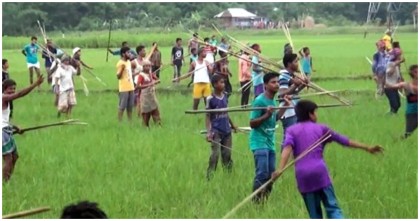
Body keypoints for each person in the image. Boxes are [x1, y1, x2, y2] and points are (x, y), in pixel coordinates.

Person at [271, 100, 384, 219]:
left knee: (315, 214)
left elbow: (287, 149)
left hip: (303, 176)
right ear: (310, 114)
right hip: (320, 173)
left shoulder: (291, 131)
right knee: (333, 208)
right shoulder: (321, 128)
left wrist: (280, 169)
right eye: (315, 112)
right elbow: (344, 141)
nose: (317, 115)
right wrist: (367, 148)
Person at [249, 72, 291, 203]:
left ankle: (264, 201)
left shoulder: (273, 99)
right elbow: (252, 123)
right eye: (273, 82)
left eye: (278, 82)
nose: (277, 84)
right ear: (265, 85)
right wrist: (266, 114)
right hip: (259, 142)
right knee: (261, 174)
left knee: (271, 176)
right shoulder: (259, 100)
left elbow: (275, 118)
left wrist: (285, 106)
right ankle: (255, 202)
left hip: (269, 143)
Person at [2, 76, 44, 181]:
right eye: (10, 88)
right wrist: (35, 84)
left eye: (14, 88)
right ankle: (4, 182)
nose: (13, 91)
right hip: (2, 132)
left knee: (15, 157)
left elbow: (3, 119)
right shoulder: (3, 97)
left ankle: (7, 179)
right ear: (4, 88)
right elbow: (20, 94)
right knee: (8, 159)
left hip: (6, 130)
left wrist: (16, 127)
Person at [205, 74, 237, 180]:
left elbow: (226, 112)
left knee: (227, 154)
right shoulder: (210, 99)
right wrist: (209, 132)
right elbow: (208, 116)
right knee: (215, 155)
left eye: (224, 82)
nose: (223, 84)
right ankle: (210, 176)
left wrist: (232, 125)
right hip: (216, 131)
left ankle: (228, 176)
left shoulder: (225, 96)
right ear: (214, 85)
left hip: (227, 130)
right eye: (221, 82)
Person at [386, 64, 418, 138]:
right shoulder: (406, 85)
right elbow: (391, 86)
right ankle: (397, 140)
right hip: (412, 113)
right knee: (408, 133)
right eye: (417, 72)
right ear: (413, 73)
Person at [278, 53, 307, 134]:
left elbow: (293, 92)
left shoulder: (291, 75)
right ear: (289, 64)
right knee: (289, 138)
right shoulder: (284, 76)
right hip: (287, 111)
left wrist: (303, 85)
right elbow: (282, 94)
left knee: (294, 138)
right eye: (295, 61)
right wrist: (295, 85)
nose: (298, 64)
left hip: (293, 110)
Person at [137, 60, 161, 128]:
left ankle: (158, 125)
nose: (148, 67)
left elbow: (157, 79)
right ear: (143, 67)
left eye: (149, 66)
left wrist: (157, 81)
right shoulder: (141, 75)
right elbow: (138, 86)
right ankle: (145, 126)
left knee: (155, 110)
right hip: (145, 97)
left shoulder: (150, 74)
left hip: (152, 95)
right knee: (146, 112)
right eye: (146, 66)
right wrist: (149, 84)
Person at [116, 47, 135, 122]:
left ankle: (130, 121)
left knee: (130, 106)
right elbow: (118, 76)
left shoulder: (128, 62)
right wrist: (122, 69)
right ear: (123, 54)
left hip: (131, 86)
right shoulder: (120, 63)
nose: (130, 54)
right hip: (124, 88)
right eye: (128, 53)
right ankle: (119, 121)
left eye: (130, 52)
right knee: (122, 106)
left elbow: (129, 74)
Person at [384, 47, 404, 114]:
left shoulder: (397, 66)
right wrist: (395, 64)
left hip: (394, 88)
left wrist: (401, 83)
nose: (400, 57)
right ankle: (391, 114)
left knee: (398, 105)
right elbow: (389, 73)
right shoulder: (390, 64)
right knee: (395, 105)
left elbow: (398, 77)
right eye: (399, 55)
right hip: (389, 88)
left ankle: (392, 114)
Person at [131, 45, 146, 117]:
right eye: (143, 51)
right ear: (139, 52)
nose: (145, 52)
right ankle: (139, 115)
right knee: (139, 100)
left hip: (145, 83)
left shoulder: (145, 61)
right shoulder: (134, 62)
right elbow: (130, 74)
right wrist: (139, 72)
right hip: (137, 83)